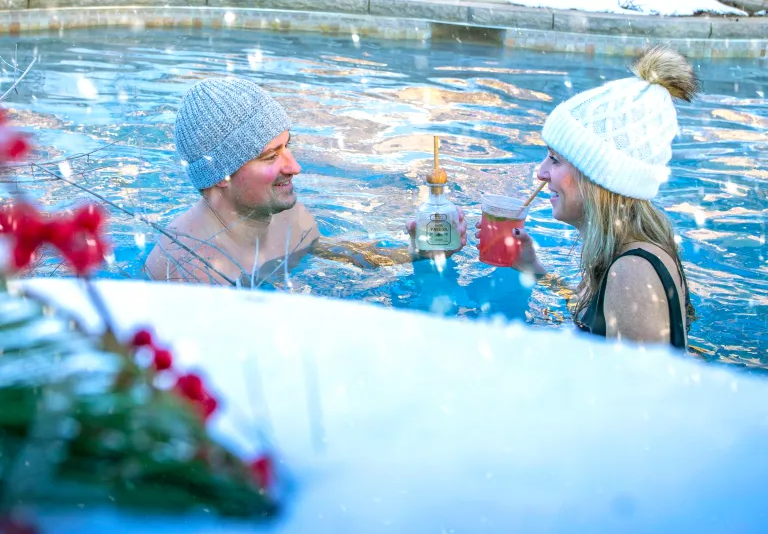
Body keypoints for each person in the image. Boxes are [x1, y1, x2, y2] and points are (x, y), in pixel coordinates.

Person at [144, 77, 466, 286]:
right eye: (271, 156)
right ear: (220, 175)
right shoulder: (183, 268)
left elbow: (339, 254)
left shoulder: (290, 218)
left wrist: (418, 254)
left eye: (288, 146)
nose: (294, 166)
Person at [482, 46, 697, 348]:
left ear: (598, 179)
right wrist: (534, 270)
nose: (541, 173)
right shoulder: (627, 253)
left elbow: (645, 392)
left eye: (554, 160)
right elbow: (597, 315)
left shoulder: (630, 272)